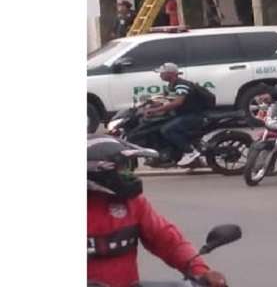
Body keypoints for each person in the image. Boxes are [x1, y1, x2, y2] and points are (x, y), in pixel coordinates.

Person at [88, 135, 227, 287]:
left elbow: (166, 239)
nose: (128, 175)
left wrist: (200, 271)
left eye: (128, 168)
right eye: (121, 169)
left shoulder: (133, 202)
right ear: (95, 172)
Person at [147, 63, 215, 167]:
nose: (160, 75)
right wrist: (149, 104)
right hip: (183, 115)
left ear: (171, 73)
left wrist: (156, 110)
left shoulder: (181, 84)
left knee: (167, 130)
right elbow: (165, 99)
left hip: (194, 115)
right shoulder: (171, 85)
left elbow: (177, 102)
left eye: (162, 73)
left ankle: (190, 152)